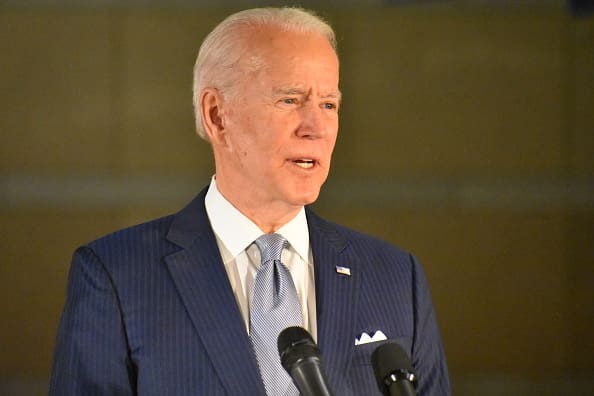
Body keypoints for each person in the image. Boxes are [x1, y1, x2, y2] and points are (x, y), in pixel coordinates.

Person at [49, 7, 450, 396]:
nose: (316, 127)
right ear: (217, 115)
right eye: (290, 100)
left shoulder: (396, 276)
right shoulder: (116, 276)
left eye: (329, 104)